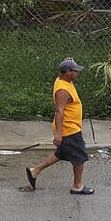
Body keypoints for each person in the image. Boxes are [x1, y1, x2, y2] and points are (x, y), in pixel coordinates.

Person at [25, 58, 93, 195]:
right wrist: (58, 134)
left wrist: (70, 61)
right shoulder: (62, 90)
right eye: (75, 71)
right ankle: (77, 185)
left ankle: (35, 171)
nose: (77, 73)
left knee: (60, 154)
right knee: (80, 157)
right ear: (68, 72)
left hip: (70, 128)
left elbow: (67, 73)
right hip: (69, 129)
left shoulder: (63, 80)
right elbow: (59, 111)